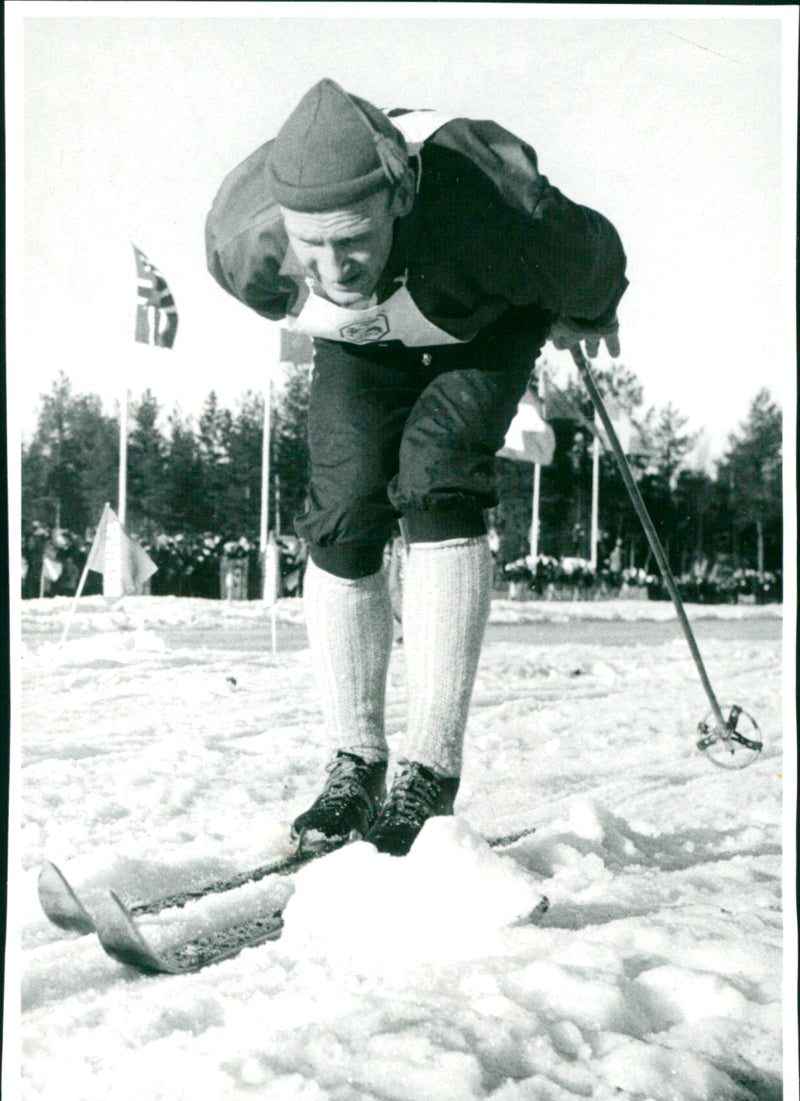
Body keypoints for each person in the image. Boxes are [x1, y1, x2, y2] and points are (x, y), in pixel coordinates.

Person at [206, 78, 627, 855]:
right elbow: (291, 289)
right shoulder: (246, 240)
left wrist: (590, 310)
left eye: (352, 238)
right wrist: (355, 306)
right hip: (368, 343)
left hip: (483, 323)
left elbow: (592, 257)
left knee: (435, 475)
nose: (333, 266)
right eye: (313, 245)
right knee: (342, 506)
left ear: (397, 195)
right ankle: (355, 763)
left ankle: (429, 771)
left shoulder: (497, 205)